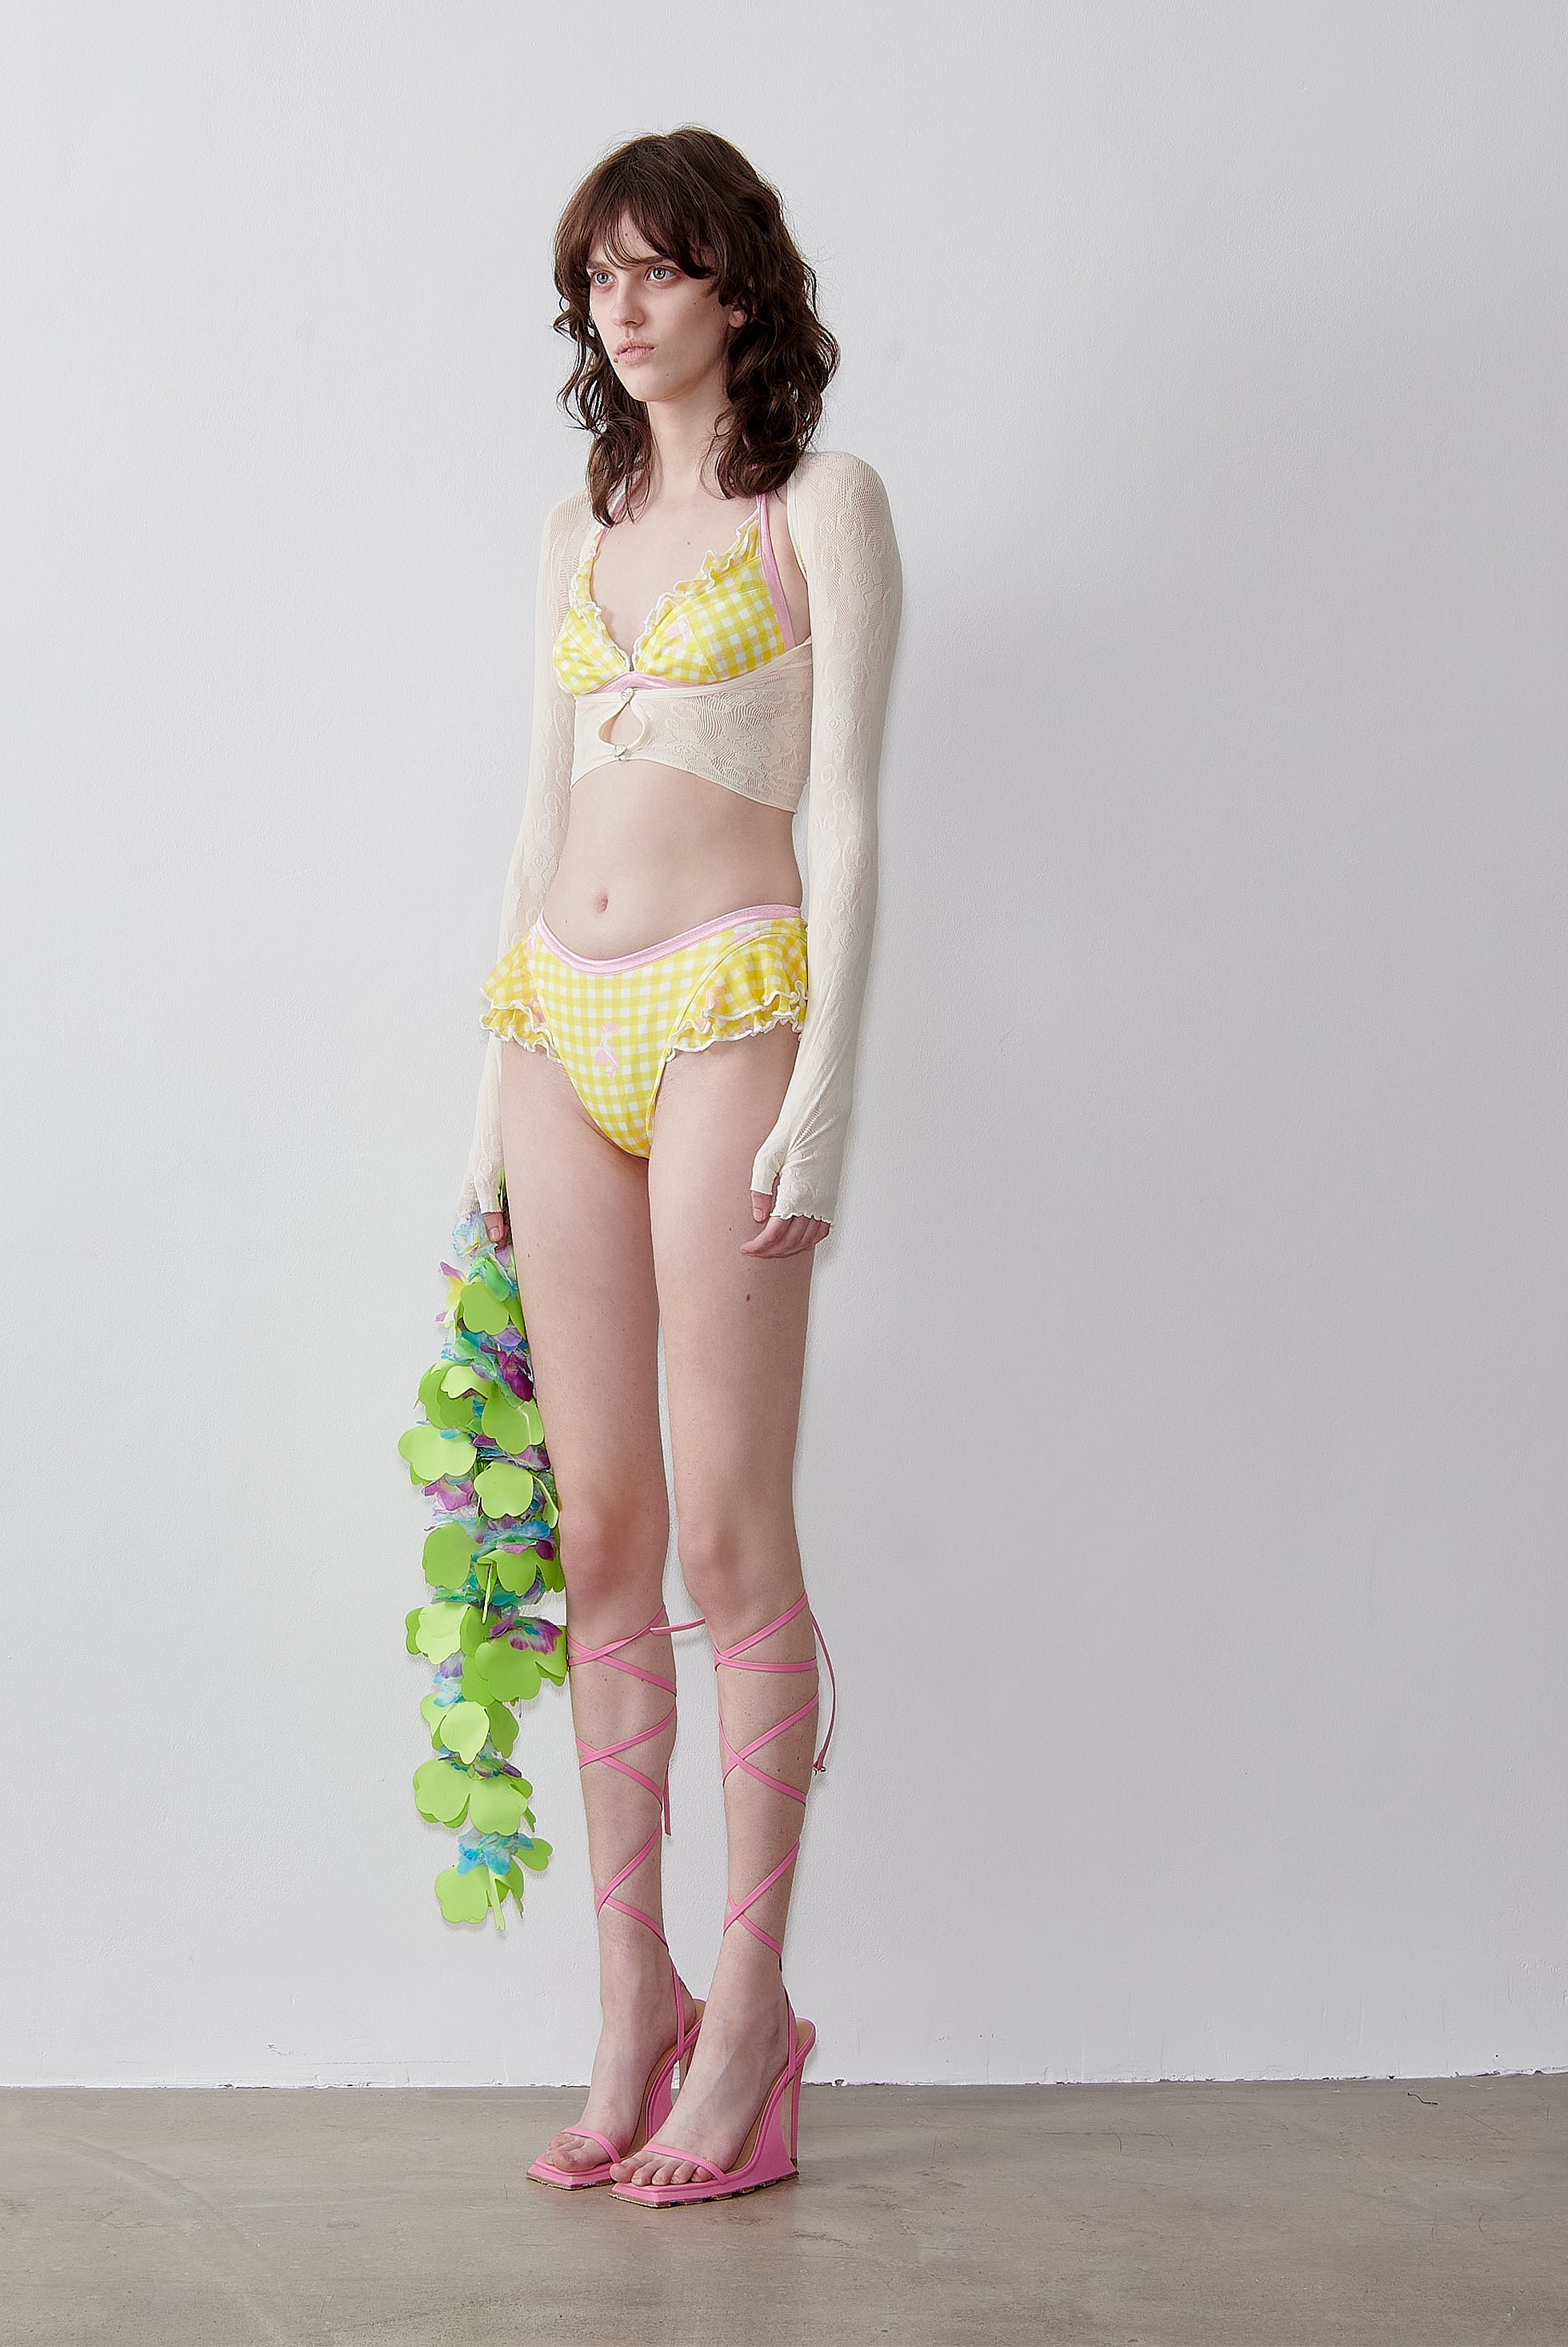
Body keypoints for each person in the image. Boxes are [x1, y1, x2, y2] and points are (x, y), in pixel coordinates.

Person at [456, 125, 902, 2207]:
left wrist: (832, 1092)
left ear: (738, 283)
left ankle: (753, 2024)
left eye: (658, 270)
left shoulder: (823, 506)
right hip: (556, 1023)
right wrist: (482, 1098)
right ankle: (630, 1999)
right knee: (602, 1532)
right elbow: (537, 820)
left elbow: (849, 816)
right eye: (598, 282)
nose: (623, 309)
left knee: (729, 1533)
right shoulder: (578, 524)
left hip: (733, 1007)